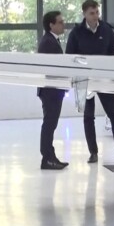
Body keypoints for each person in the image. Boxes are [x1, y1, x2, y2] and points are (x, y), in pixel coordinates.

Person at [66, 0, 114, 164]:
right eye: (92, 13)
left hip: (104, 79)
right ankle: (93, 153)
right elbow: (69, 56)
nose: (95, 16)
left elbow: (113, 55)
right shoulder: (76, 33)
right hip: (83, 80)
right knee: (88, 116)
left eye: (97, 12)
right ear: (84, 14)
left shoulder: (106, 30)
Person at [37, 11, 69, 170]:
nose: (63, 24)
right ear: (51, 25)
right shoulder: (48, 42)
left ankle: (50, 156)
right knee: (49, 124)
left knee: (51, 124)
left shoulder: (51, 40)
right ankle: (47, 158)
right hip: (51, 91)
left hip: (53, 90)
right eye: (60, 22)